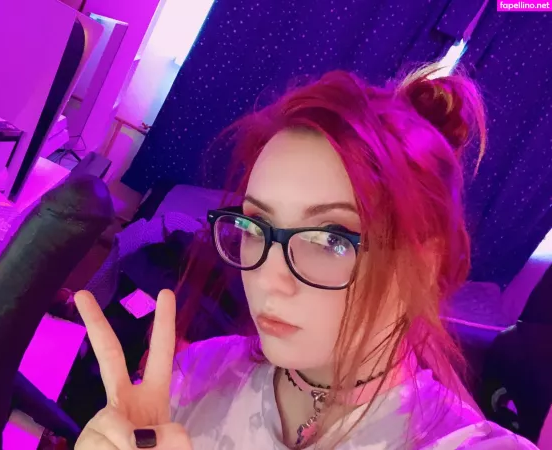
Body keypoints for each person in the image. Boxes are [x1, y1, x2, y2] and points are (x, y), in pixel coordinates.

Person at [72, 65, 540, 449]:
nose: (268, 277)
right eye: (255, 224)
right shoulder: (196, 375)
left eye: (331, 239)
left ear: (423, 264)